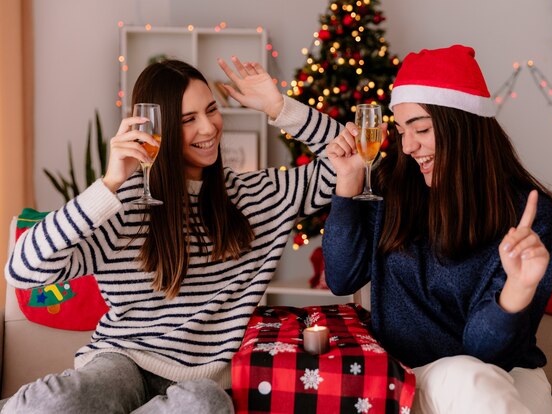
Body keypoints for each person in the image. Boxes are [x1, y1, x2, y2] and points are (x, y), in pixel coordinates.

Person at [2, 56, 342, 413]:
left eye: (211, 110)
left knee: (205, 404)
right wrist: (109, 183)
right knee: (55, 402)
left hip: (199, 383)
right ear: (155, 128)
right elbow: (23, 271)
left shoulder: (258, 197)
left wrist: (279, 106)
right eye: (188, 120)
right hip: (122, 361)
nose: (209, 128)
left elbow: (353, 164)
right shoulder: (122, 205)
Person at [322, 45, 552, 414]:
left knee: (470, 377)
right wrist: (349, 181)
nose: (408, 145)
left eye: (421, 128)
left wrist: (518, 289)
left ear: (462, 126)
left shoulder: (528, 213)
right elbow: (341, 278)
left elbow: (486, 355)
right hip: (414, 378)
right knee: (466, 377)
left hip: (507, 375)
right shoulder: (392, 188)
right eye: (401, 130)